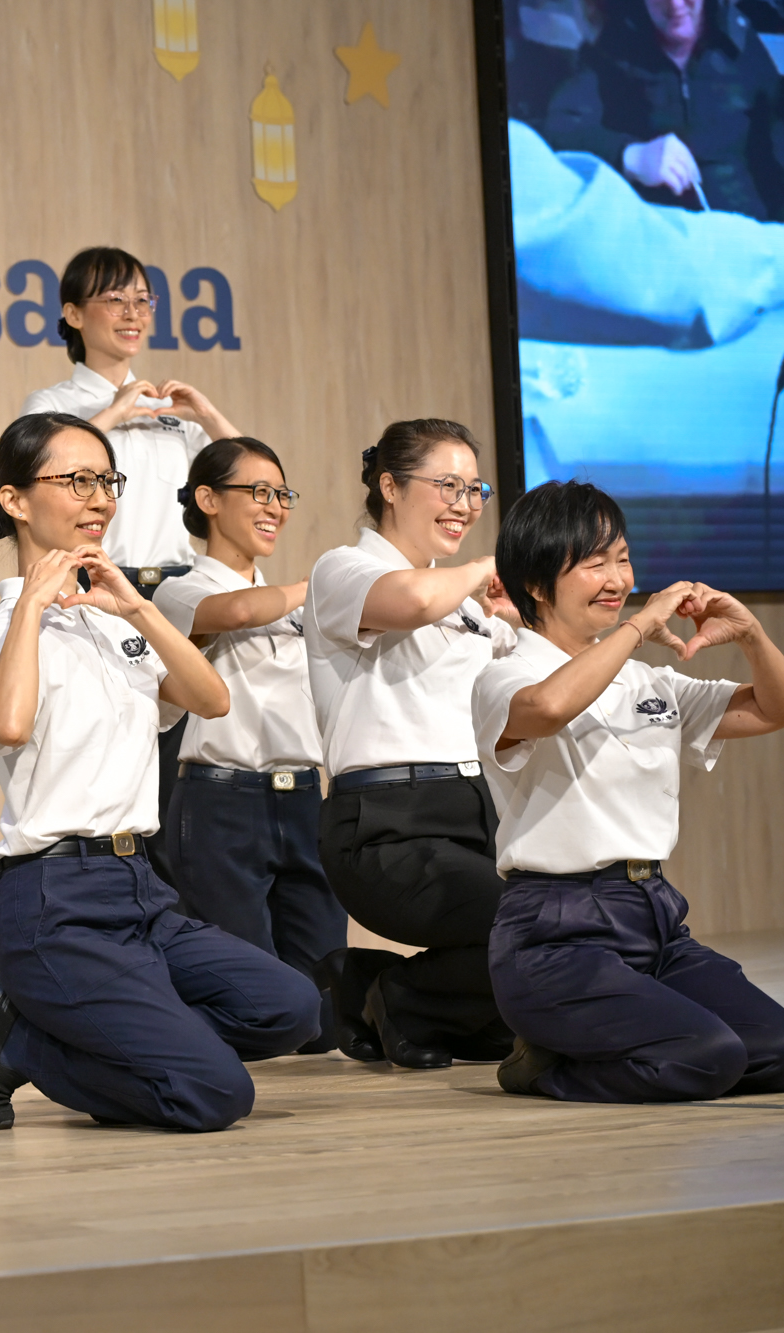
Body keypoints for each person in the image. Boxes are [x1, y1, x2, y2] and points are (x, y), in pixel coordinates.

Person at [0, 413, 320, 1133]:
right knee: (215, 1095)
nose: (101, 499)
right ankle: (24, 1040)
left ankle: (96, 1029)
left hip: (143, 892)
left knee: (292, 1007)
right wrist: (32, 598)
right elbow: (10, 723)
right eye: (76, 480)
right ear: (15, 500)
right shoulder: (9, 624)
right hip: (57, 902)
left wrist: (139, 607)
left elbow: (210, 699)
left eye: (107, 481)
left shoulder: (112, 620)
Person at [476, 480, 784, 1102]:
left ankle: (616, 1044)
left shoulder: (649, 681)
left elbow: (781, 708)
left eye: (623, 558)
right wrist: (636, 627)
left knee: (782, 1051)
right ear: (536, 582)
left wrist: (750, 634)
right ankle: (542, 1066)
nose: (617, 577)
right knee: (705, 1056)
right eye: (593, 562)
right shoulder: (504, 676)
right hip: (554, 933)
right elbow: (549, 707)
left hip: (654, 917)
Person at [20, 246, 243, 883]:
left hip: (177, 589)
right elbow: (36, 470)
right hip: (101, 583)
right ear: (72, 313)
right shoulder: (55, 401)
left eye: (142, 300)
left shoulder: (173, 412)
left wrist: (203, 416)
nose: (132, 312)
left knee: (184, 772)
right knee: (119, 761)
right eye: (114, 299)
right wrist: (116, 412)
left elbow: (245, 476)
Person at [306, 419, 519, 1071]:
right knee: (517, 923)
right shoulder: (344, 568)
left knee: (561, 917)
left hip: (473, 812)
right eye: (447, 485)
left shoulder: (474, 604)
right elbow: (412, 599)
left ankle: (389, 989)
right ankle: (398, 994)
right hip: (386, 826)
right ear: (390, 486)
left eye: (474, 488)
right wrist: (488, 567)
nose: (464, 503)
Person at [154, 438, 341, 1054]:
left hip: (306, 798)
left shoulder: (297, 595)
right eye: (258, 493)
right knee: (248, 990)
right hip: (221, 801)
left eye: (281, 494)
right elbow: (234, 610)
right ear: (207, 499)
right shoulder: (176, 591)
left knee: (320, 1014)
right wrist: (317, 588)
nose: (275, 507)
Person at [509, 119, 784, 347]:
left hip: (750, 296)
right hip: (695, 301)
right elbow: (618, 258)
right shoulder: (602, 62)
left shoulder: (746, 59)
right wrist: (626, 153)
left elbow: (779, 170)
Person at [544, 0, 784, 221]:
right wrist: (631, 155)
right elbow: (557, 131)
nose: (675, 4)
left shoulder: (741, 45)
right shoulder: (613, 48)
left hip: (742, 240)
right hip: (657, 243)